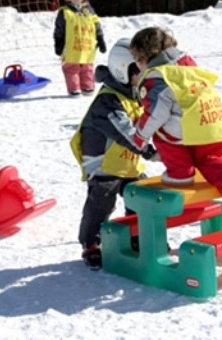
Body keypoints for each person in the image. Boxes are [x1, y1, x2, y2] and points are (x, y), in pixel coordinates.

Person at [129, 27, 222, 212]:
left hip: (184, 127)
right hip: (210, 118)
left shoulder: (156, 77)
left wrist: (139, 136)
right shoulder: (187, 62)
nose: (137, 66)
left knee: (161, 135)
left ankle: (180, 174)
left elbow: (156, 114)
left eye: (137, 60)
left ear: (144, 58)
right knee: (210, 155)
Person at [70, 39, 158, 270]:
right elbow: (125, 132)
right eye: (140, 71)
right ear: (122, 70)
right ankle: (91, 243)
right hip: (104, 165)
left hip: (127, 163)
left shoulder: (135, 94)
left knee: (142, 197)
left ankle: (138, 237)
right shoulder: (107, 101)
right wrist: (149, 152)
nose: (145, 76)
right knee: (101, 203)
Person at [53, 0, 106, 97]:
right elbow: (59, 30)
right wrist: (58, 43)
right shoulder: (65, 12)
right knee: (72, 69)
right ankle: (74, 88)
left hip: (87, 47)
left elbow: (96, 25)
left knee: (87, 68)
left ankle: (87, 86)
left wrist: (100, 38)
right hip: (71, 48)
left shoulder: (90, 11)